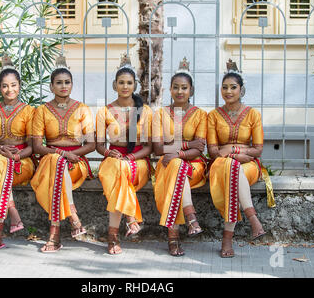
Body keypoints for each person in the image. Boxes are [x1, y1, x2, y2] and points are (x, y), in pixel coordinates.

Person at [207, 59, 273, 258]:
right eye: (225, 87)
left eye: (233, 87)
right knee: (231, 169)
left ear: (241, 90)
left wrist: (232, 152)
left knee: (233, 172)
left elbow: (258, 150)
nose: (228, 91)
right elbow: (212, 150)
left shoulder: (253, 114)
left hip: (249, 166)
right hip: (222, 164)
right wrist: (236, 154)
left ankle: (227, 238)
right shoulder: (213, 115)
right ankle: (252, 218)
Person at [30, 55, 95, 253]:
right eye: (59, 83)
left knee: (56, 169)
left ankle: (55, 236)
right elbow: (37, 146)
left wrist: (71, 155)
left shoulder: (82, 109)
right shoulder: (41, 111)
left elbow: (91, 144)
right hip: (51, 160)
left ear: (72, 84)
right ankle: (72, 217)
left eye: (67, 82)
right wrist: (61, 154)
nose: (63, 86)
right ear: (51, 87)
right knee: (55, 163)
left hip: (76, 163)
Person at [96, 54, 153, 255]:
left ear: (135, 85)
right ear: (114, 85)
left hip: (137, 160)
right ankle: (130, 219)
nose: (125, 86)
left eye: (129, 83)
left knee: (120, 172)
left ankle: (113, 237)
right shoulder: (105, 111)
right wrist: (108, 152)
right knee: (118, 171)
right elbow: (99, 145)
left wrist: (131, 158)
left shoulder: (144, 111)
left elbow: (148, 147)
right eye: (121, 82)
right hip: (112, 159)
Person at [0, 56, 35, 251]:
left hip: (22, 162)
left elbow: (33, 147)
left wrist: (16, 156)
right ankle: (10, 215)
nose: (9, 90)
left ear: (19, 85)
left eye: (13, 85)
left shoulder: (29, 111)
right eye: (5, 86)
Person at [152, 57, 208, 257]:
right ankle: (191, 216)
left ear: (191, 90)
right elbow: (158, 149)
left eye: (184, 88)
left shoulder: (201, 115)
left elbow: (199, 149)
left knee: (177, 166)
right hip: (166, 162)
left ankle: (173, 237)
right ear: (170, 89)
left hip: (194, 165)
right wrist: (186, 145)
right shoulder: (160, 113)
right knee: (176, 168)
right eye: (175, 87)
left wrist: (178, 152)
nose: (180, 91)